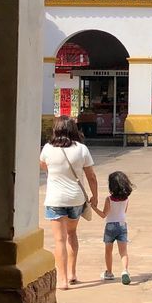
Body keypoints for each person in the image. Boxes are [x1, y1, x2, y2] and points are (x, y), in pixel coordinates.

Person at [38, 116, 98, 290]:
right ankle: (72, 273)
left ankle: (62, 280)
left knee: (59, 240)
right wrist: (95, 196)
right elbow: (91, 176)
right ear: (73, 129)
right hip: (76, 199)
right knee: (72, 234)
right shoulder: (81, 149)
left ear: (56, 130)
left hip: (55, 199)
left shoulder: (47, 149)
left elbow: (43, 165)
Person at [93, 170, 134, 285]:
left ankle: (109, 272)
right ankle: (125, 271)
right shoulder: (126, 199)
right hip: (122, 225)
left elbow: (103, 215)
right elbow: (124, 212)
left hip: (110, 226)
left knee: (108, 251)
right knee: (123, 251)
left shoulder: (109, 199)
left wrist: (94, 207)